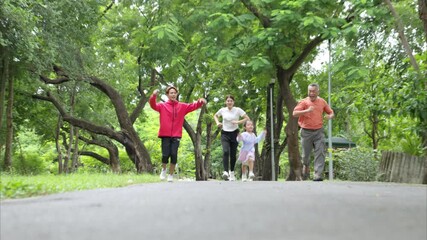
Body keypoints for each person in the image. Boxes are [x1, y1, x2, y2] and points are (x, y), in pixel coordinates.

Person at [150, 86, 206, 182]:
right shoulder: (162, 106)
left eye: (174, 93)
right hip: (165, 134)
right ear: (167, 95)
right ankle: (164, 170)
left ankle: (171, 175)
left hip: (176, 134)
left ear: (176, 94)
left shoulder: (182, 106)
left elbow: (193, 106)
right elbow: (153, 105)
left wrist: (200, 101)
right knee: (165, 155)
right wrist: (154, 95)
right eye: (171, 93)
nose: (173, 94)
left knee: (174, 154)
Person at [293, 83, 334, 181]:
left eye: (313, 91)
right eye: (310, 91)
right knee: (305, 155)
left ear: (317, 92)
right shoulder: (303, 102)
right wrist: (306, 111)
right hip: (306, 132)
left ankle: (318, 175)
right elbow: (294, 113)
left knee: (320, 152)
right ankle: (306, 165)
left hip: (319, 131)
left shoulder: (322, 102)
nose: (311, 93)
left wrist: (330, 116)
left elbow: (331, 112)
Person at [214, 95, 250, 181]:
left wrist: (238, 121)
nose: (229, 102)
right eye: (228, 101)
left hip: (235, 133)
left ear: (233, 102)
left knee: (233, 154)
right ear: (225, 102)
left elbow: (247, 118)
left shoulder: (237, 110)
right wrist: (217, 122)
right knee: (226, 151)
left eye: (231, 101)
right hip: (225, 133)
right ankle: (226, 172)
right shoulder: (222, 110)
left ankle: (232, 173)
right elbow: (215, 115)